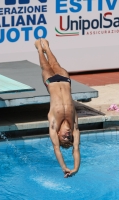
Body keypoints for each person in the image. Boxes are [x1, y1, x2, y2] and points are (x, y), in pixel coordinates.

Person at [35, 38, 80, 178]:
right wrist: (76, 168)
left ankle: (38, 47)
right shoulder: (74, 126)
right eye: (69, 138)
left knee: (45, 65)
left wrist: (64, 167)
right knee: (55, 62)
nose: (68, 136)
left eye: (64, 138)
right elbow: (76, 149)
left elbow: (56, 149)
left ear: (58, 135)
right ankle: (47, 47)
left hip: (51, 82)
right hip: (65, 80)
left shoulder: (54, 124)